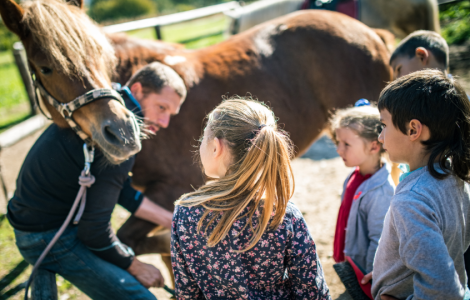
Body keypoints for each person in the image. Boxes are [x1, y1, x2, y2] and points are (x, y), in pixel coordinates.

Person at [8, 62, 186, 300]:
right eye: (161, 107)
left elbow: (120, 189)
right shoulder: (118, 133)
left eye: (170, 114)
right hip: (48, 236)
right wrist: (135, 265)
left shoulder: (103, 108)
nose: (164, 122)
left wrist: (171, 221)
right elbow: (94, 233)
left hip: (33, 224)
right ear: (138, 89)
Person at [170, 98, 331, 299]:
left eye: (203, 136)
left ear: (215, 147)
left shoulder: (186, 213)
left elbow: (187, 293)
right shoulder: (284, 215)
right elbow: (313, 293)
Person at [371, 69, 470, 300]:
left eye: (384, 125)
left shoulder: (412, 200)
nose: (380, 137)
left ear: (413, 129)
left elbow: (442, 291)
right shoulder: (455, 178)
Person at [330, 102, 394, 275]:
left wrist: (371, 274)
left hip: (365, 273)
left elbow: (378, 240)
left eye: (346, 144)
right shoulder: (353, 175)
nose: (338, 149)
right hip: (351, 261)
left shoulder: (381, 192)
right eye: (338, 142)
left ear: (374, 146)